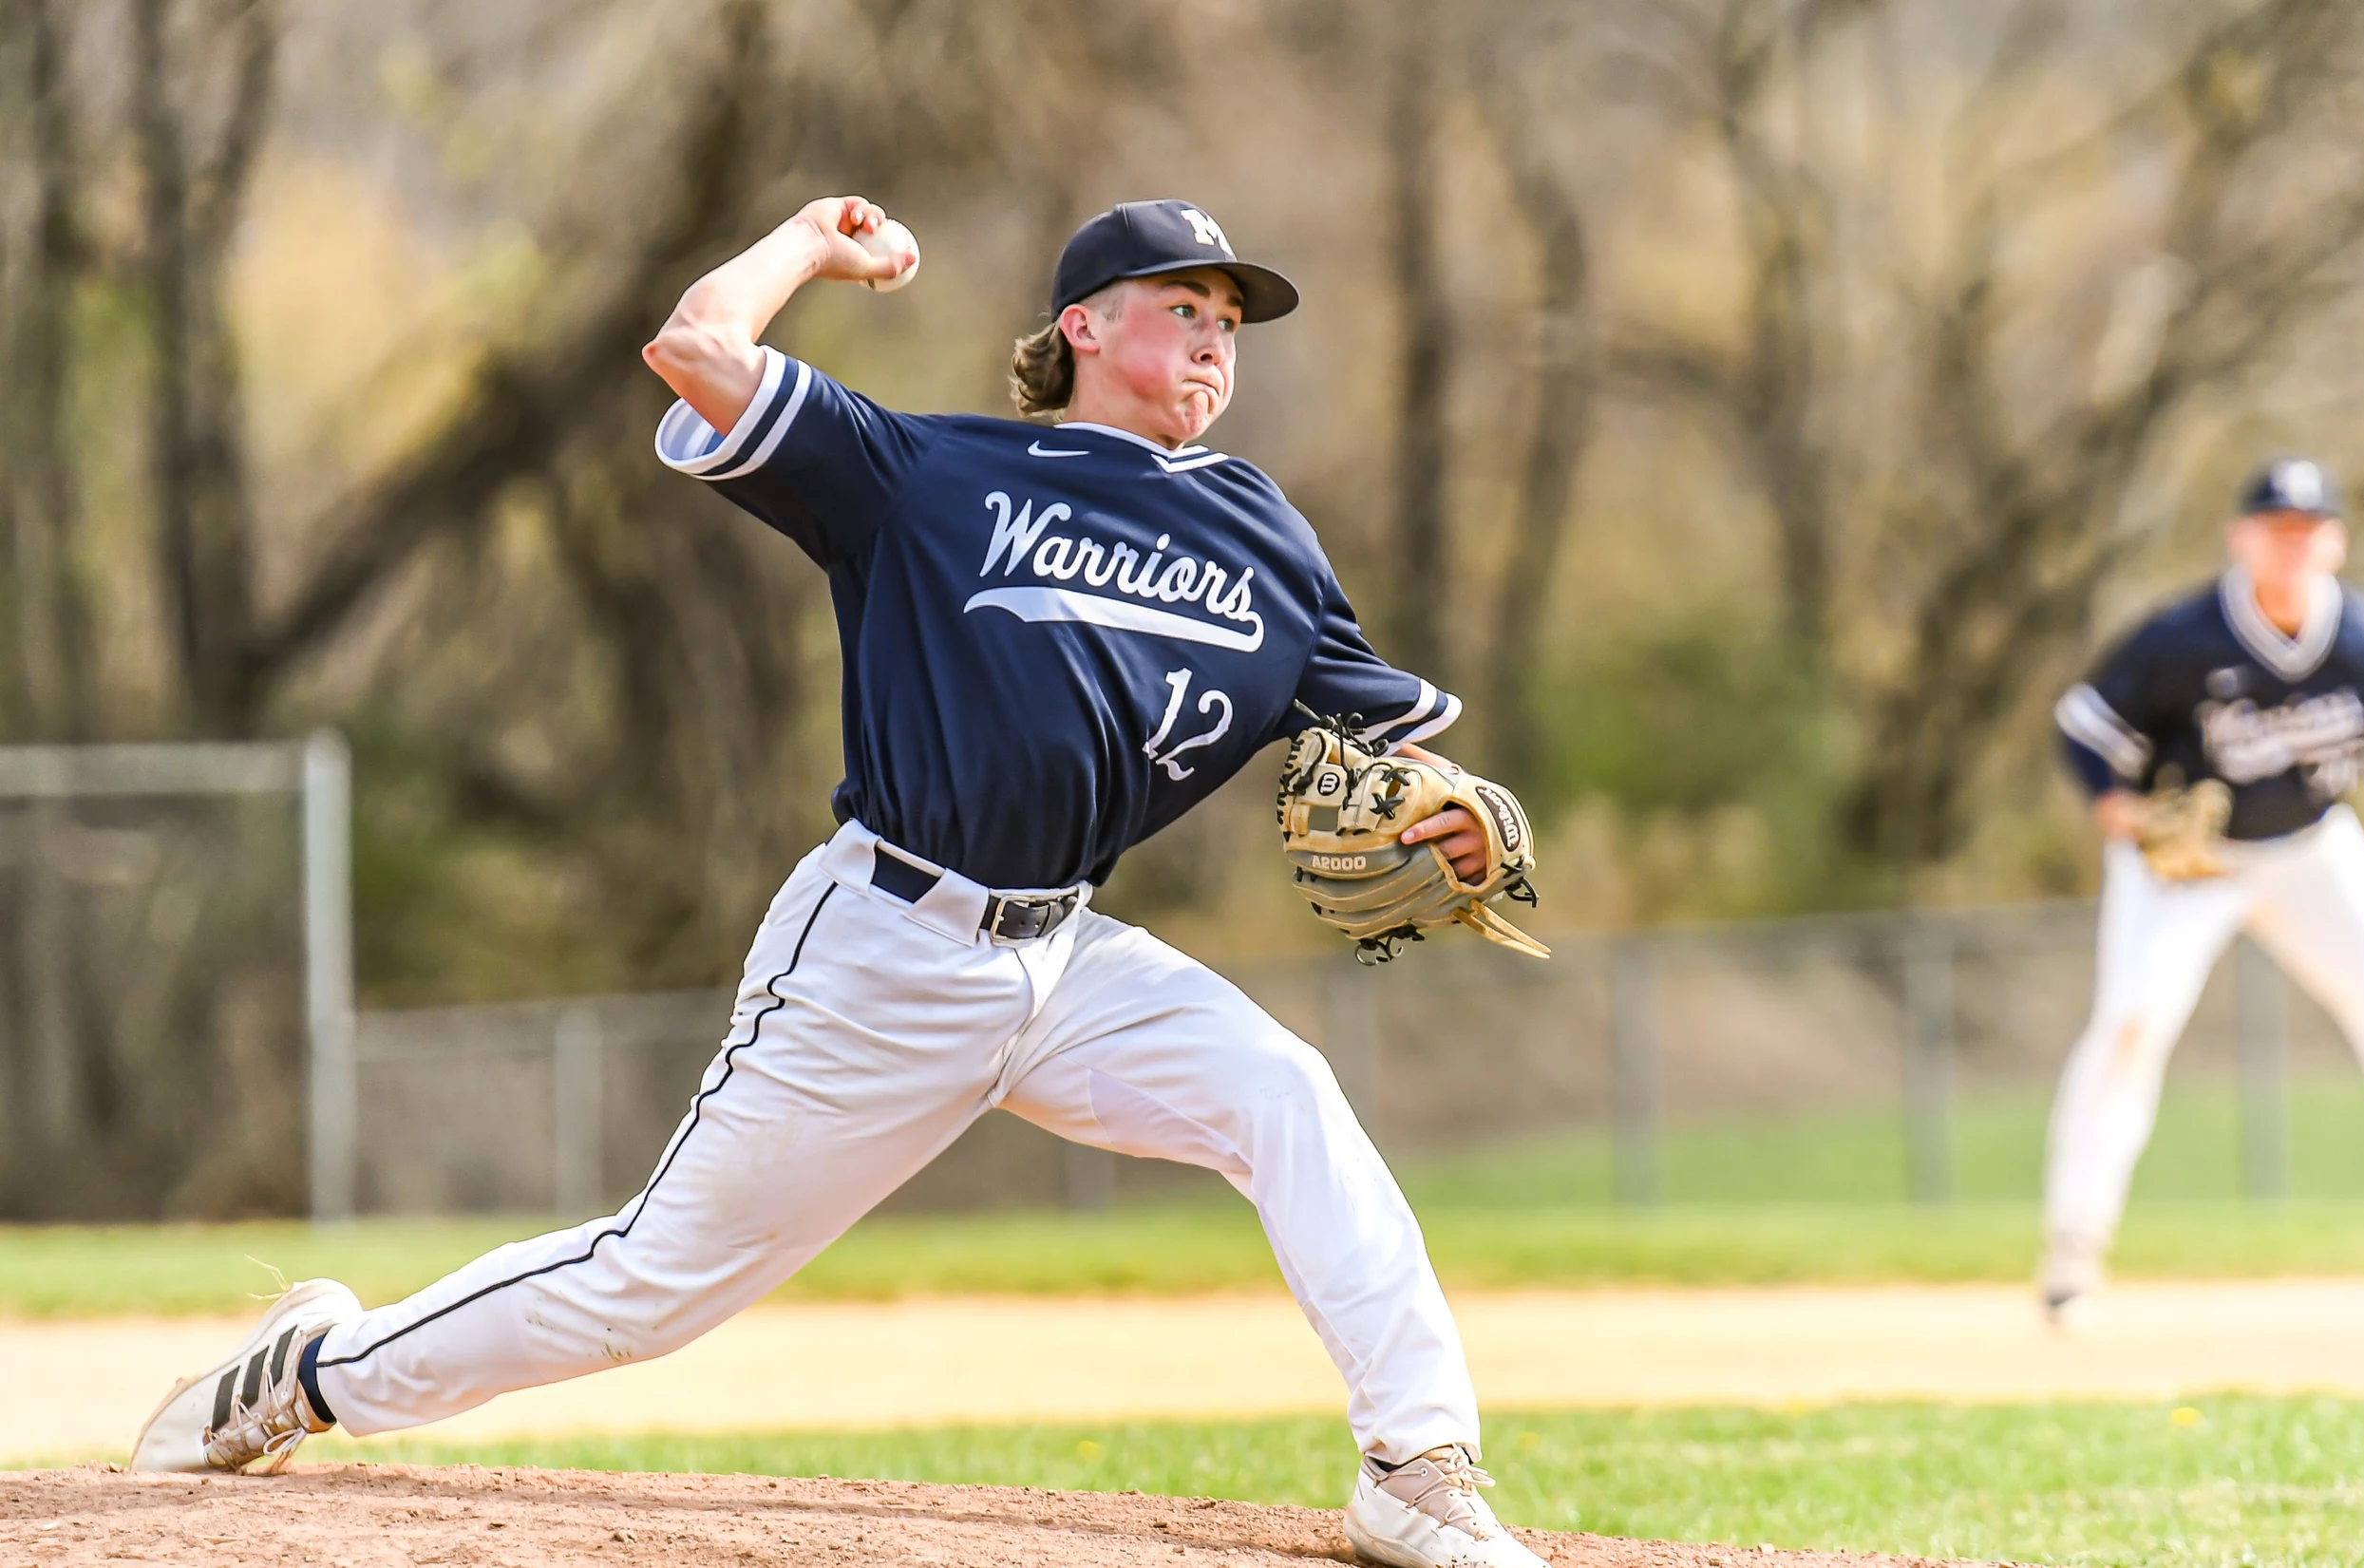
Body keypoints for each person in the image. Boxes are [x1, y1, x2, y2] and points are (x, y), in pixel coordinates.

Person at [133, 197, 1547, 1568]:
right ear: (1083, 327)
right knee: (645, 1289)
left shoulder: (1264, 533)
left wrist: (1474, 826)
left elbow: (1394, 757)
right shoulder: (933, 474)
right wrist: (811, 242)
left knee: (1283, 1090)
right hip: (885, 947)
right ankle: (315, 1370)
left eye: (1231, 319)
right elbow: (695, 347)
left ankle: (1416, 1467)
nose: (1215, 340)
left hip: (1068, 960)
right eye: (1184, 308)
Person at [2042, 456, 2364, 1318]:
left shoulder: (2363, 645)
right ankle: (2074, 1246)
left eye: (2307, 532)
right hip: (2188, 866)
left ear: (2335, 543)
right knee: (2130, 1025)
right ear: (2240, 539)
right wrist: (2114, 806)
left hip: (2311, 849)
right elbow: (2084, 729)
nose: (2291, 546)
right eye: (2275, 530)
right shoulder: (2180, 640)